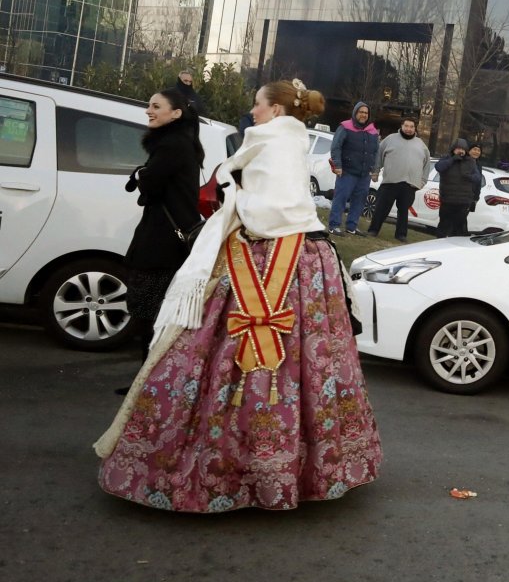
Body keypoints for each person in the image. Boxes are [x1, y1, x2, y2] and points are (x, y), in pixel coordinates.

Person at [94, 79, 383, 512]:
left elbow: (269, 209)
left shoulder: (272, 141)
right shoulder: (290, 139)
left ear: (277, 111)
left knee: (211, 350)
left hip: (269, 253)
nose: (253, 111)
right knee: (311, 358)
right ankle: (311, 466)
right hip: (306, 257)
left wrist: (233, 206)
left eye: (258, 105)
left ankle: (220, 467)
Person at [116, 87, 204, 395]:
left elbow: (151, 186)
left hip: (161, 244)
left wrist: (142, 176)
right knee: (154, 313)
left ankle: (149, 385)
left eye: (156, 106)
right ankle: (148, 381)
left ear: (175, 113)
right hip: (166, 241)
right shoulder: (179, 144)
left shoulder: (172, 146)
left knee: (150, 313)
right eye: (149, 104)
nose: (148, 110)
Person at [367, 117, 431, 243]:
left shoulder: (421, 145)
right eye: (406, 126)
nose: (408, 129)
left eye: (411, 127)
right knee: (381, 208)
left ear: (415, 128)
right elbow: (378, 155)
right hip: (390, 181)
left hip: (409, 184)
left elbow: (427, 164)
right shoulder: (390, 139)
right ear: (402, 126)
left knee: (403, 211)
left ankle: (401, 234)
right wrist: (375, 171)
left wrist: (423, 181)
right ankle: (373, 230)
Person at [328, 101, 379, 236]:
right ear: (355, 113)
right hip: (347, 171)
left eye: (366, 113)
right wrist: (338, 165)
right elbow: (335, 147)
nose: (363, 115)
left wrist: (374, 169)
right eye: (361, 112)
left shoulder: (372, 131)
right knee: (341, 198)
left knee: (360, 200)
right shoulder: (345, 127)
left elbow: (375, 151)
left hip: (364, 174)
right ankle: (334, 225)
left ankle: (351, 226)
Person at [435, 138, 480, 238]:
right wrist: (453, 159)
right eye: (458, 149)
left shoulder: (471, 162)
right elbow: (439, 167)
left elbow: (477, 178)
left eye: (463, 149)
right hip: (447, 199)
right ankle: (438, 245)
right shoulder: (446, 159)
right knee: (443, 226)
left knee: (458, 229)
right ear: (453, 149)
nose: (461, 151)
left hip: (463, 202)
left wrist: (469, 177)